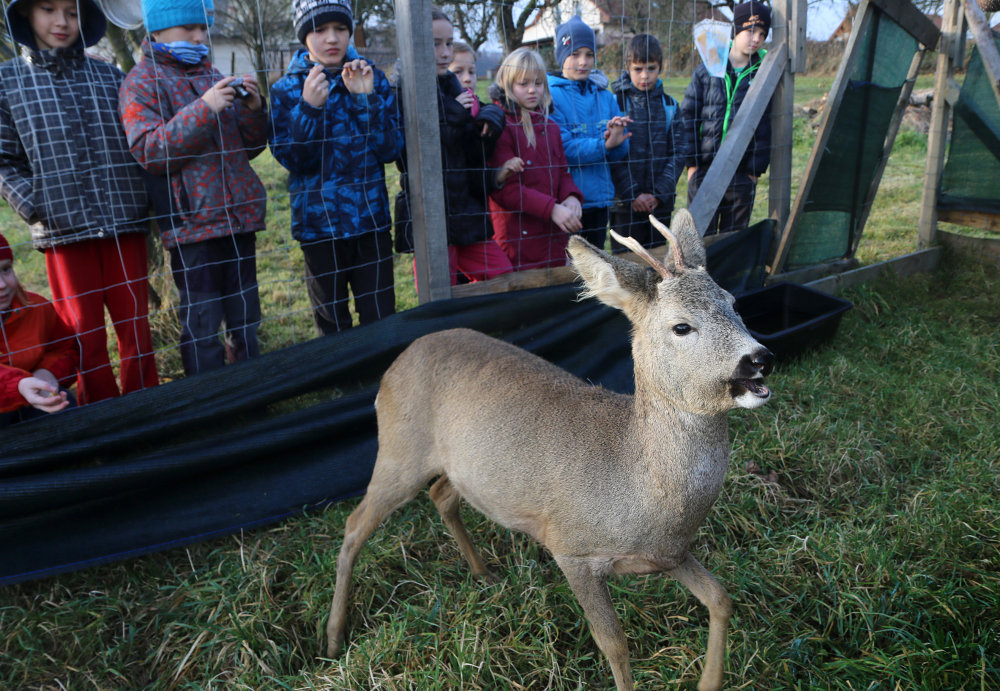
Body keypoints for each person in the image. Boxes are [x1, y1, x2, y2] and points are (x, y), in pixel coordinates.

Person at [0, 0, 158, 405]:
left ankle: (148, 409)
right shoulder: (6, 82)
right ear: (25, 13)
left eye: (72, 12)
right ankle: (99, 415)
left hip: (125, 221)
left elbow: (138, 141)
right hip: (63, 232)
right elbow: (4, 160)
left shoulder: (112, 77)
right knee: (84, 333)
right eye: (49, 9)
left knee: (135, 327)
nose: (61, 22)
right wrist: (37, 205)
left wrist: (144, 199)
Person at [120, 0, 268, 375]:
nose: (200, 37)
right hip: (193, 229)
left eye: (203, 28)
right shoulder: (140, 83)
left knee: (246, 316)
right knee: (203, 324)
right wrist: (205, 108)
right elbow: (150, 151)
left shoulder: (211, 73)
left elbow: (250, 147)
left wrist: (252, 109)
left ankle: (253, 388)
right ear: (157, 29)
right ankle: (209, 398)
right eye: (189, 28)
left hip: (238, 220)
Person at [269, 0, 402, 334]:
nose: (332, 38)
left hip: (370, 222)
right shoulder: (286, 90)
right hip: (318, 229)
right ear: (303, 36)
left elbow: (390, 149)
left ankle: (382, 366)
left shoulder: (372, 78)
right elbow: (295, 160)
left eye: (340, 28)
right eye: (320, 29)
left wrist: (365, 99)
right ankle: (342, 370)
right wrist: (309, 108)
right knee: (333, 327)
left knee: (381, 318)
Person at [393, 8, 515, 285]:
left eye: (448, 43)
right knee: (438, 291)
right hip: (429, 216)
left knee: (502, 277)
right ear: (413, 44)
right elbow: (410, 150)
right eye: (435, 44)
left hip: (465, 211)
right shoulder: (401, 89)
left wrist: (490, 119)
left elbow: (480, 115)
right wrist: (454, 115)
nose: (445, 52)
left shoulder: (450, 84)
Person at [679, 0, 772, 236]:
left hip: (741, 174)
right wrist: (692, 165)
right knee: (699, 237)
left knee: (733, 239)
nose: (756, 39)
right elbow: (688, 117)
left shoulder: (764, 74)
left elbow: (765, 126)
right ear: (736, 29)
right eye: (751, 31)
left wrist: (753, 172)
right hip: (705, 170)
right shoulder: (708, 68)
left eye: (762, 34)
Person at [487, 48, 583, 271]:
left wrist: (571, 196)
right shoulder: (501, 127)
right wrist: (552, 209)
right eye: (523, 84)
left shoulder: (551, 127)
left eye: (538, 83)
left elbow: (562, 172)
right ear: (507, 84)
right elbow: (505, 190)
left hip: (552, 238)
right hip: (517, 240)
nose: (532, 90)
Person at [547, 15, 631, 250]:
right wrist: (604, 145)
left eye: (589, 54)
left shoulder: (606, 97)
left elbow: (618, 152)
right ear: (561, 56)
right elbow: (564, 150)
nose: (583, 62)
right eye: (575, 54)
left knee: (596, 260)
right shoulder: (550, 97)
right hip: (568, 203)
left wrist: (618, 138)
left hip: (600, 200)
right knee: (570, 265)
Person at [610, 34, 683, 250]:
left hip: (659, 206)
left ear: (660, 67)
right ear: (627, 67)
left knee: (658, 261)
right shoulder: (614, 103)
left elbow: (679, 152)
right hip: (624, 206)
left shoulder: (670, 106)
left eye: (651, 68)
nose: (645, 75)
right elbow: (611, 153)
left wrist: (658, 193)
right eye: (638, 69)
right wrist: (632, 194)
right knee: (624, 264)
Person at [0, 232, 78, 425]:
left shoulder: (36, 307)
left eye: (6, 269)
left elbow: (63, 348)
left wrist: (47, 372)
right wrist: (18, 386)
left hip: (30, 396)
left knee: (64, 408)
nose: (2, 284)